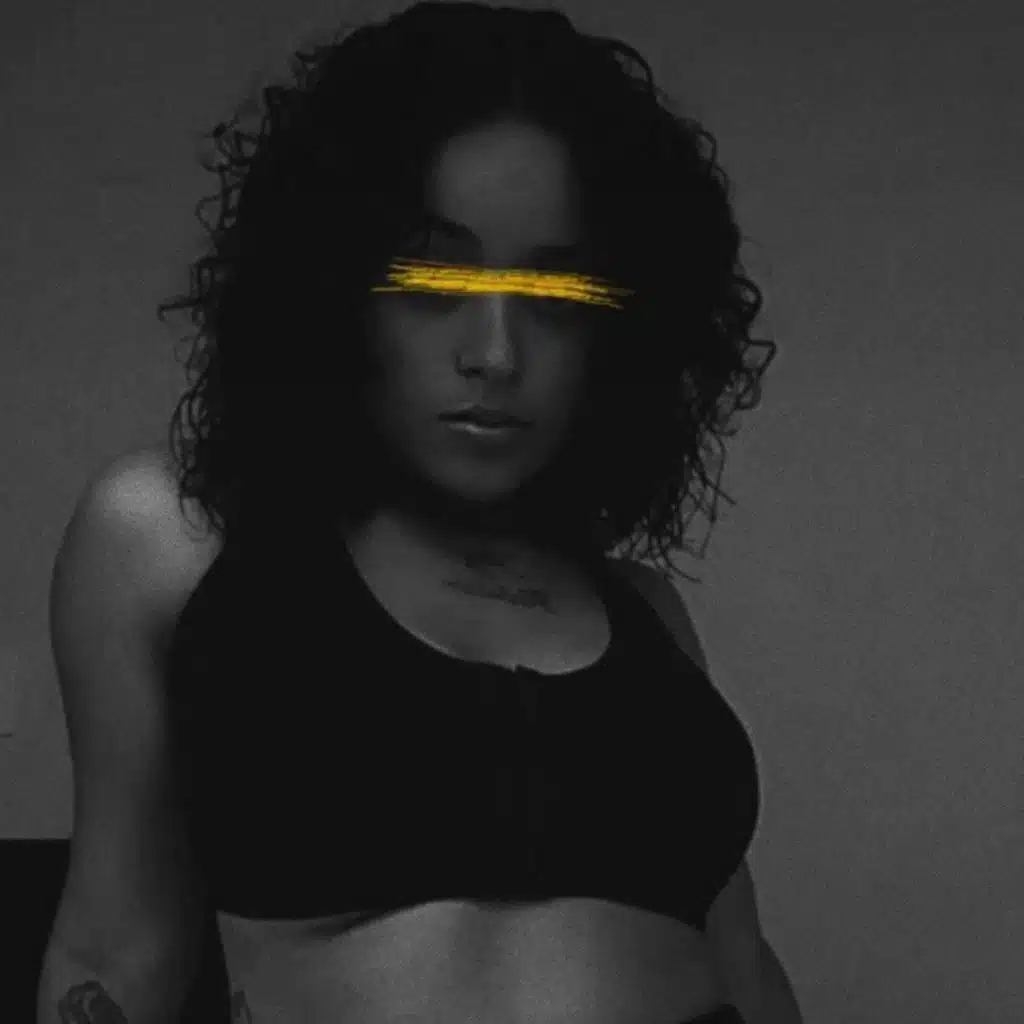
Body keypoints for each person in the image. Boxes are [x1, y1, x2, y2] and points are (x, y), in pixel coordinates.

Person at [40, 3, 798, 1024]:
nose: (495, 352)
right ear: (333, 292)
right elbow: (113, 954)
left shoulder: (646, 612)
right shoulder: (171, 539)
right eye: (432, 279)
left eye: (554, 294)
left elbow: (742, 966)